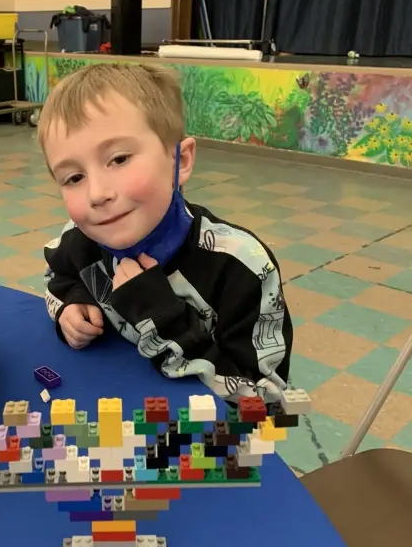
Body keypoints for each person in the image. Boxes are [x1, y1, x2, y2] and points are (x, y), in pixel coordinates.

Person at [38, 62, 292, 403]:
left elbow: (268, 398)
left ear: (180, 161)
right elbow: (58, 276)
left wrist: (163, 318)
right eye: (74, 178)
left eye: (118, 159)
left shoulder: (242, 268)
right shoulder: (80, 239)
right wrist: (71, 305)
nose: (97, 194)